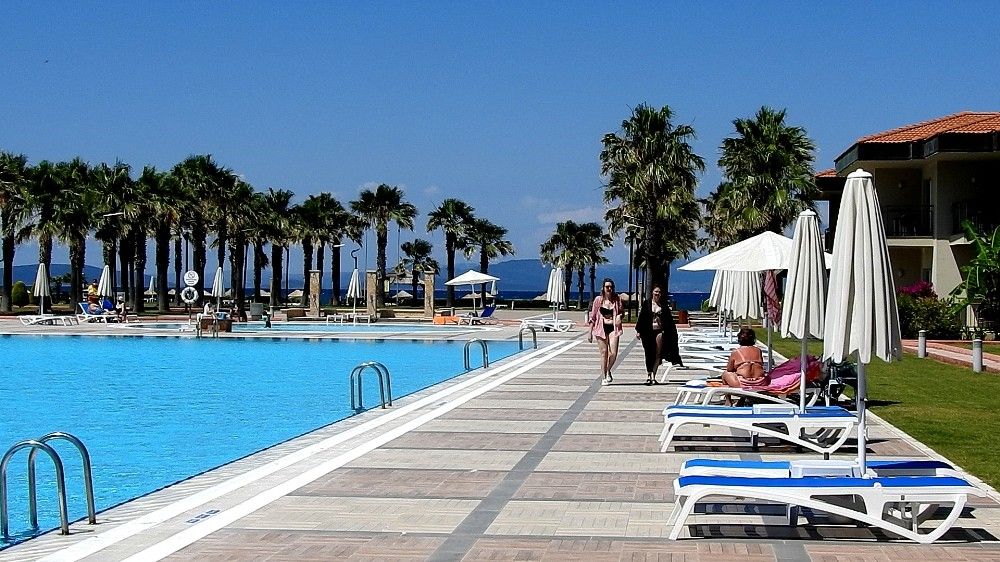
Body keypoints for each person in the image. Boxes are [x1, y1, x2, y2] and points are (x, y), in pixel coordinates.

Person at [635, 285, 684, 385]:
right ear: (652, 292)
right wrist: (638, 331)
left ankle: (653, 375)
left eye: (659, 292)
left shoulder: (663, 306)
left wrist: (661, 322)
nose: (657, 294)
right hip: (647, 332)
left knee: (658, 353)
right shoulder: (647, 304)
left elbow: (668, 321)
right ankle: (649, 374)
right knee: (649, 353)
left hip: (659, 331)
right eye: (656, 292)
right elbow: (642, 318)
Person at [588, 278, 623, 386]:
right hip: (600, 328)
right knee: (604, 353)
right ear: (603, 288)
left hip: (613, 328)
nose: (609, 289)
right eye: (607, 287)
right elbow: (593, 317)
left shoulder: (617, 299)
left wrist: (620, 316)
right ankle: (603, 376)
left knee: (613, 353)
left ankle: (608, 370)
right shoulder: (598, 300)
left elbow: (621, 311)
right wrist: (590, 332)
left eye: (611, 287)